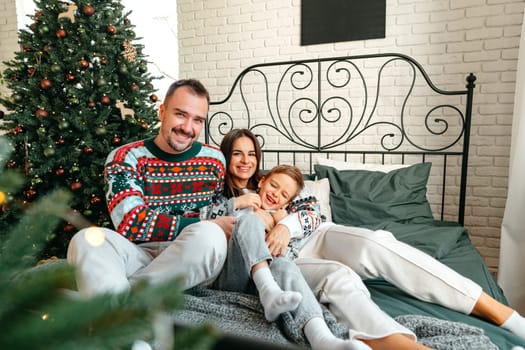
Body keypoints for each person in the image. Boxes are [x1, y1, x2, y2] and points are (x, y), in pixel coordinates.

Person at [219, 128, 525, 348]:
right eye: (237, 153)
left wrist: (284, 224)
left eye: (252, 154)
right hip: (291, 260)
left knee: (374, 244)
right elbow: (207, 222)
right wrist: (241, 206)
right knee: (339, 278)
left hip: (315, 235)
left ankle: (501, 313)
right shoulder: (220, 193)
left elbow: (312, 212)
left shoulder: (279, 180)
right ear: (225, 156)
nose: (245, 160)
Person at [67, 79, 236, 296]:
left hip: (190, 258)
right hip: (138, 254)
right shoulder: (126, 157)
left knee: (211, 235)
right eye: (180, 114)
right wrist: (205, 222)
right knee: (86, 240)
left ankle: (121, 302)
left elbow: (218, 216)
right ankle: (129, 305)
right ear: (162, 111)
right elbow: (130, 222)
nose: (187, 128)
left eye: (197, 120)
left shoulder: (214, 160)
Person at [201, 164, 371, 350]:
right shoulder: (238, 201)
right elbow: (202, 217)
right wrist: (237, 204)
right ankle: (267, 287)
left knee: (286, 266)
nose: (276, 194)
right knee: (250, 220)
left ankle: (322, 338)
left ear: (287, 203)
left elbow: (293, 247)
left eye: (284, 195)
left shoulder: (287, 220)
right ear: (262, 181)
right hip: (235, 276)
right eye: (274, 185)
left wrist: (278, 222)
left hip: (275, 279)